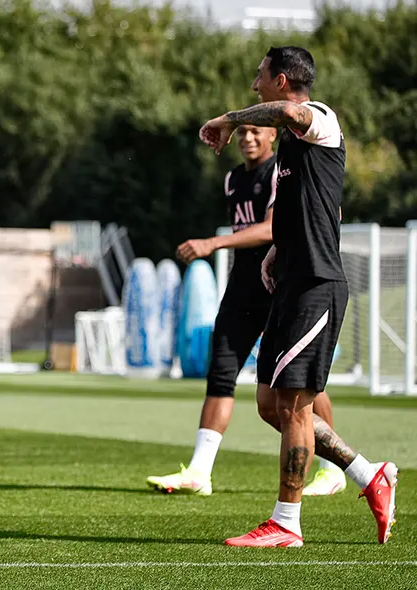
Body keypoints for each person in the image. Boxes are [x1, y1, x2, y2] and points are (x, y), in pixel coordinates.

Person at [199, 46, 397, 547]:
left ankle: (286, 523)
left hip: (317, 284)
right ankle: (368, 473)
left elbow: (288, 112)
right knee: (270, 404)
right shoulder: (291, 146)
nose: (253, 85)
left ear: (282, 79)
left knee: (293, 406)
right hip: (290, 280)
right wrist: (274, 254)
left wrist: (227, 118)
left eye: (259, 76)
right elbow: (306, 207)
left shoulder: (320, 119)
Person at [146, 124, 345, 497]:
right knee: (220, 371)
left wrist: (212, 242)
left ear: (272, 136)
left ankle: (333, 469)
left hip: (279, 285)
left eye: (256, 131)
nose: (248, 138)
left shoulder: (280, 171)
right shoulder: (234, 178)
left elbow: (271, 229)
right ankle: (199, 472)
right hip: (243, 286)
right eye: (242, 133)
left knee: (300, 382)